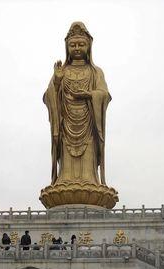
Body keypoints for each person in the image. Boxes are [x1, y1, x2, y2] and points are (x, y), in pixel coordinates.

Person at [43, 22, 111, 187]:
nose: (77, 48)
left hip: (89, 125)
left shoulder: (95, 72)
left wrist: (89, 94)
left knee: (87, 164)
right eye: (73, 45)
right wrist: (57, 80)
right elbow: (49, 96)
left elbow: (104, 95)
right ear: (67, 48)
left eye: (81, 44)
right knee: (67, 162)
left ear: (89, 47)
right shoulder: (62, 71)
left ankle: (90, 181)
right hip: (66, 125)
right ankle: (63, 180)